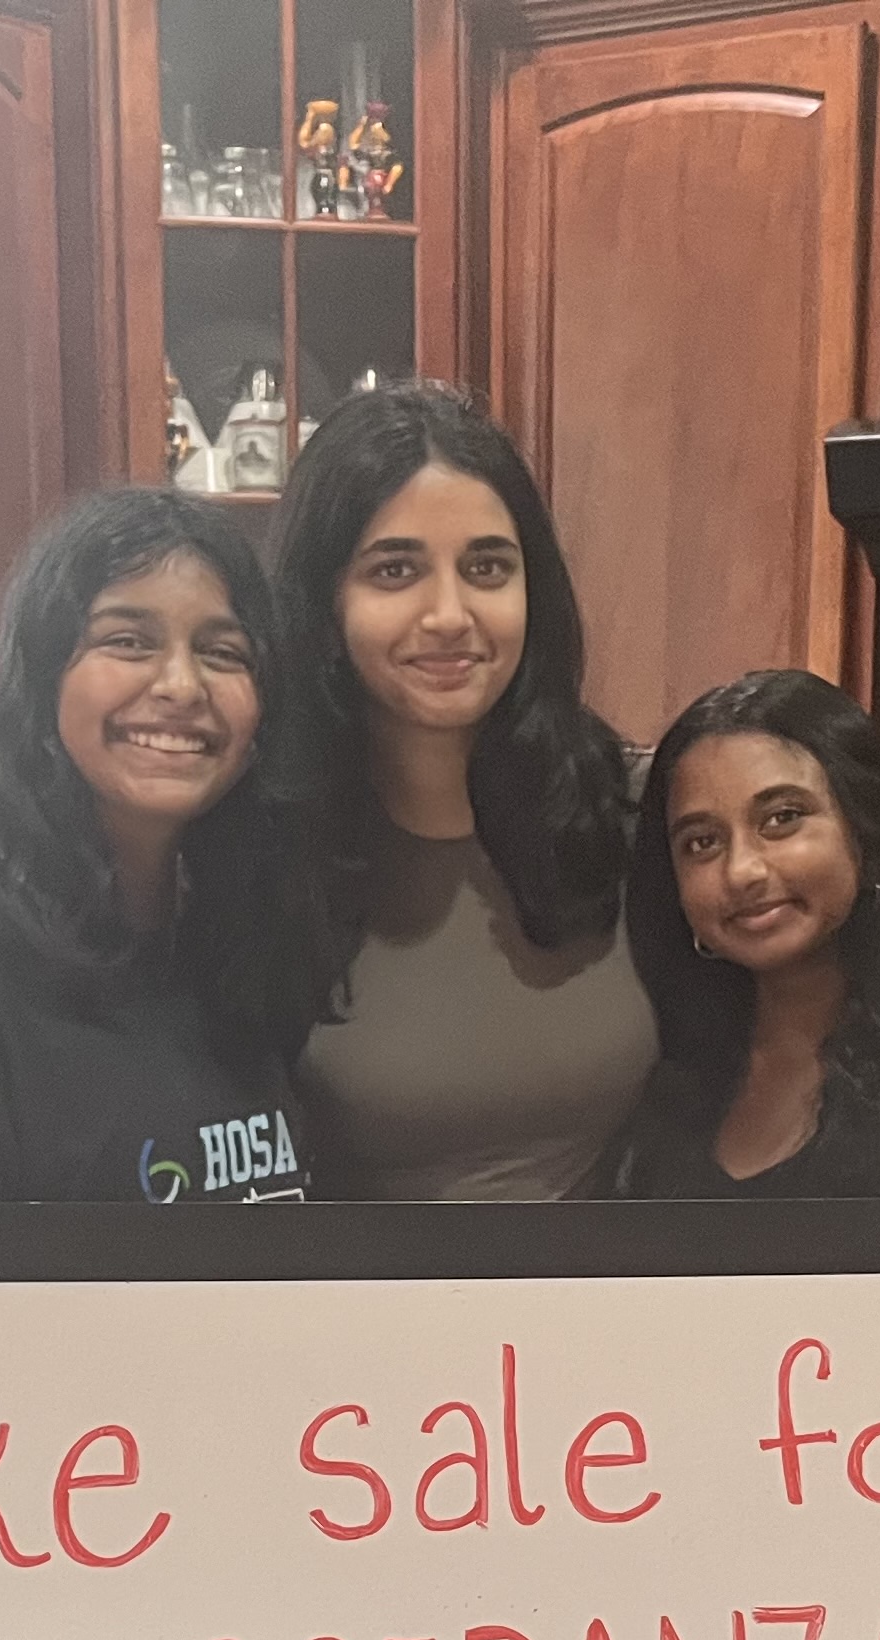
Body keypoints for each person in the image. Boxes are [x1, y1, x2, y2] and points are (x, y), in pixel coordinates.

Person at [0, 488, 318, 1204]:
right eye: (127, 641)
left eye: (222, 651)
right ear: (42, 682)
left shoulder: (235, 957)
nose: (181, 684)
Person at [268, 386, 657, 1200]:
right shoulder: (262, 847)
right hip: (370, 1322)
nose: (449, 614)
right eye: (395, 569)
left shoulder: (641, 813)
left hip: (613, 1321)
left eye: (486, 567)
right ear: (323, 600)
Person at [591, 669, 880, 1200]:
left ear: (867, 831)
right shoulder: (659, 1086)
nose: (742, 870)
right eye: (701, 842)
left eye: (782, 818)